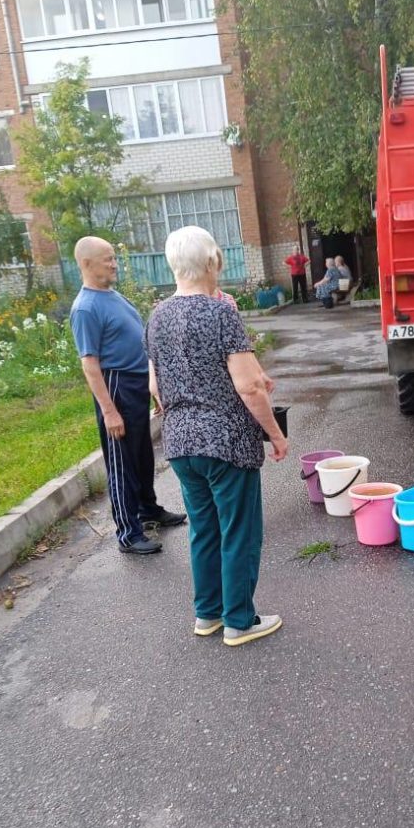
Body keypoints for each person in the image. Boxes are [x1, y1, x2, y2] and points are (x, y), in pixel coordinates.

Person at [145, 226, 288, 647]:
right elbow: (249, 387)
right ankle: (241, 620)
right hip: (226, 444)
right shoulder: (220, 313)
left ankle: (207, 614)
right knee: (239, 530)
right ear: (211, 262)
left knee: (204, 529)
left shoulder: (157, 315)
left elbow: (154, 385)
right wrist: (276, 435)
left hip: (181, 444)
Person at [70, 236, 186, 555]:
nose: (114, 263)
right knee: (121, 461)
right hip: (116, 385)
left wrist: (151, 386)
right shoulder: (85, 307)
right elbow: (90, 365)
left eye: (113, 257)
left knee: (143, 453)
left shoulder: (112, 296)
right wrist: (109, 411)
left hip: (135, 383)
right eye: (107, 259)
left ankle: (148, 508)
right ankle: (127, 533)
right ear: (87, 264)